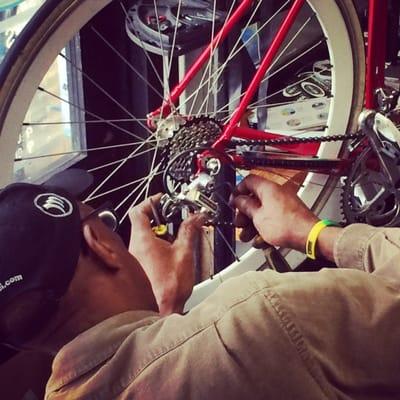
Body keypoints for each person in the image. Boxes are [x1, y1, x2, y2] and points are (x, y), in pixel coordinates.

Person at [0, 173, 399, 400]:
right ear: (101, 245)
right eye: (104, 222)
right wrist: (311, 233)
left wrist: (160, 316)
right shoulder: (259, 318)